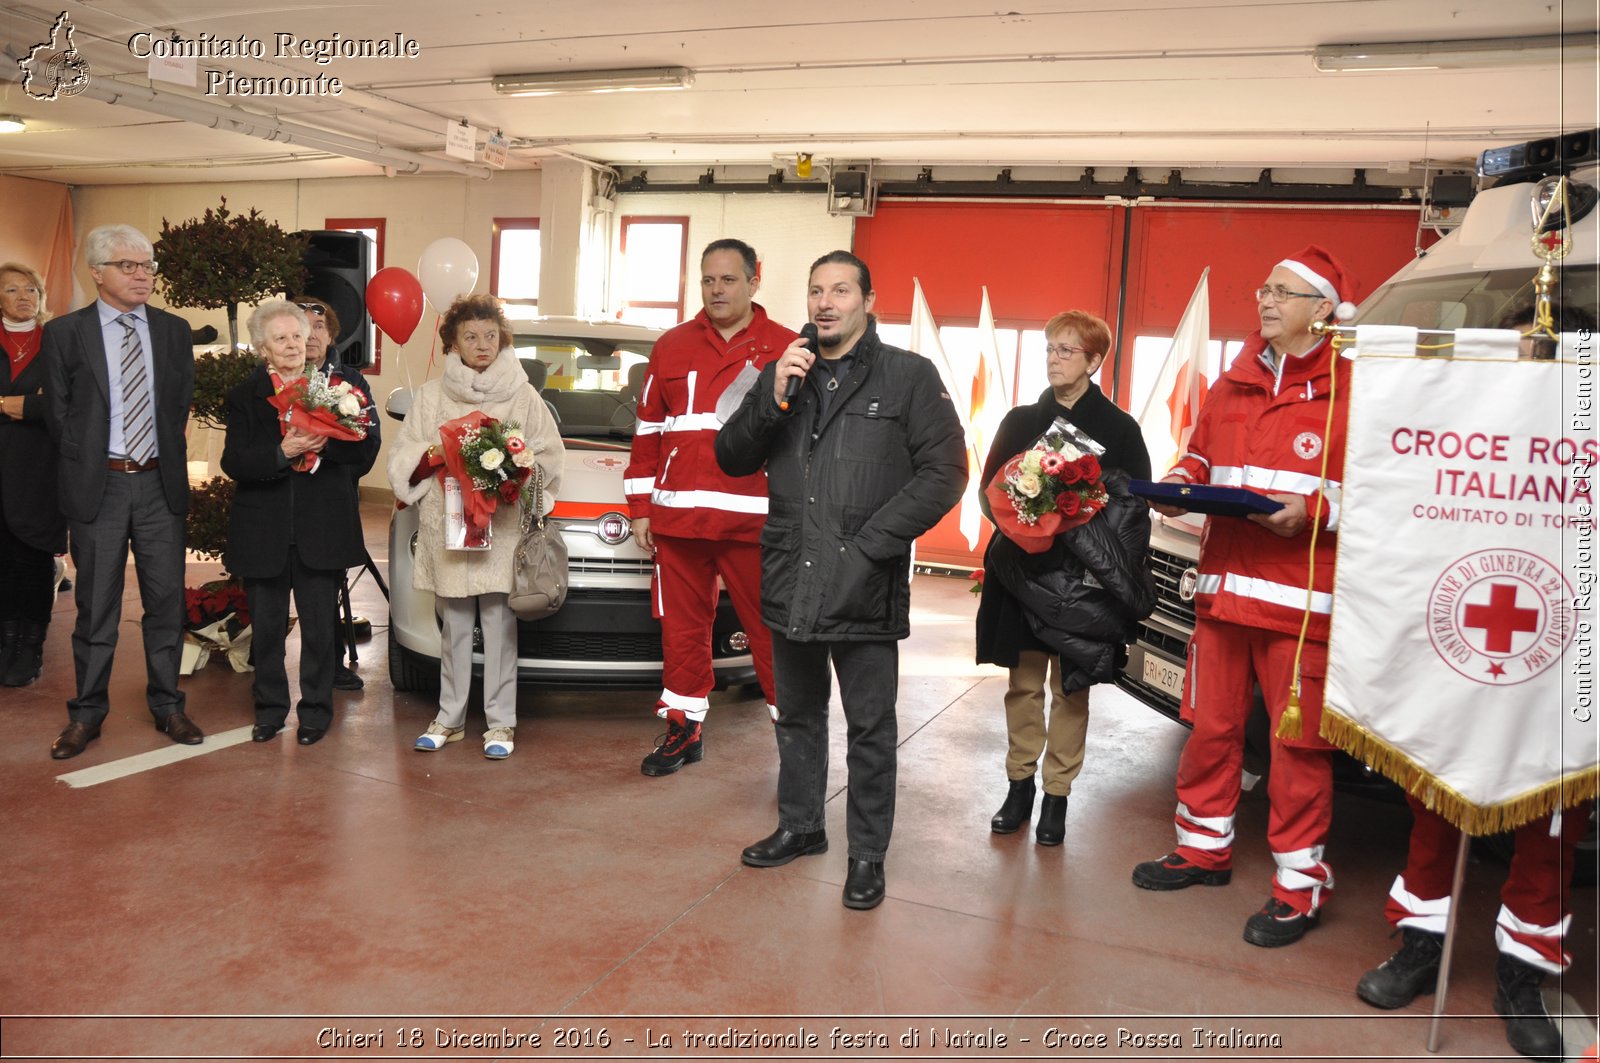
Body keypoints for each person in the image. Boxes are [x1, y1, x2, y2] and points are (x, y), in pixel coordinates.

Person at [1355, 296, 1598, 1063]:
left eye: (1550, 348)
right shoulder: (1471, 422)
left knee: (1553, 829)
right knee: (1435, 804)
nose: (1534, 358)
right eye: (1526, 344)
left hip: (1566, 665)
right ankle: (1419, 946)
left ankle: (1523, 975)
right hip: (1466, 646)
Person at [715, 250, 967, 910]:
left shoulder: (909, 376)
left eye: (840, 291)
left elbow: (946, 473)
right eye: (816, 290)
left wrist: (871, 547)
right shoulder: (783, 373)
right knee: (796, 714)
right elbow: (731, 455)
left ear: (868, 299)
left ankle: (866, 855)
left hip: (862, 583)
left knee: (869, 727)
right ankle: (801, 826)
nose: (825, 302)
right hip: (791, 574)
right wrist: (771, 397)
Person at [1130, 245, 1358, 947]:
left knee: (1297, 751)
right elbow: (1201, 457)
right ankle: (1202, 848)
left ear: (1324, 311)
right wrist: (1178, 482)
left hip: (1299, 608)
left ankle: (1299, 886)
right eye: (1264, 288)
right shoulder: (1232, 383)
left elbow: (1378, 496)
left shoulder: (1357, 394)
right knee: (1211, 731)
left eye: (1283, 292)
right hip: (1223, 595)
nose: (1264, 300)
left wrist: (1313, 511)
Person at [975, 310, 1151, 845]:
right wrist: (1029, 517)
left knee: (1071, 690)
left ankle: (1057, 795)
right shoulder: (1019, 421)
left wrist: (1082, 523)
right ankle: (1019, 785)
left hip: (1083, 585)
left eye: (1066, 350)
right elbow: (990, 495)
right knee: (1023, 685)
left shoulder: (1121, 429)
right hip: (1023, 574)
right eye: (1050, 348)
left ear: (1095, 360)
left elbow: (1135, 510)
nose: (1054, 357)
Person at [625, 239, 795, 776]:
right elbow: (648, 429)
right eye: (707, 280)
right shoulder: (671, 345)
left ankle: (795, 739)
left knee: (771, 632)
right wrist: (641, 507)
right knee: (682, 631)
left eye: (727, 280)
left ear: (753, 280)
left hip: (754, 521)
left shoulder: (785, 347)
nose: (717, 290)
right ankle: (683, 731)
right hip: (678, 521)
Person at [44, 224, 202, 759]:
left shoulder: (174, 331)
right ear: (97, 272)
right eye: (129, 266)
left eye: (148, 266)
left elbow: (178, 403)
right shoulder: (66, 332)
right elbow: (60, 414)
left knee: (164, 604)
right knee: (96, 610)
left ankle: (168, 706)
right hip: (100, 487)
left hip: (160, 485)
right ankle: (86, 715)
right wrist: (91, 461)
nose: (142, 276)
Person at [387, 295, 564, 759]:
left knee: (500, 625)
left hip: (501, 530)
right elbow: (405, 456)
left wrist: (516, 473)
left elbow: (548, 455)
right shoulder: (429, 397)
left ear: (502, 340)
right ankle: (449, 718)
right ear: (454, 343)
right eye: (470, 336)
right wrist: (437, 457)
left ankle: (501, 724)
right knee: (454, 626)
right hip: (449, 526)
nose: (481, 345)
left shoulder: (524, 397)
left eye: (490, 335)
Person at [220, 300, 377, 745]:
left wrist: (326, 446)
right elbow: (235, 462)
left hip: (322, 527)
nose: (294, 344)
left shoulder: (340, 388)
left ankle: (315, 712)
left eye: (298, 335)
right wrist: (281, 453)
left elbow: (364, 452)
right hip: (263, 530)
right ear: (262, 348)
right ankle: (269, 710)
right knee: (267, 631)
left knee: (319, 629)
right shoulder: (244, 396)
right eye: (281, 338)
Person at [295, 294, 379, 692]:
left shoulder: (352, 382)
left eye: (319, 327)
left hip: (329, 499)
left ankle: (330, 666)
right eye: (300, 327)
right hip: (279, 500)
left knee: (324, 589)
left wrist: (328, 455)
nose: (310, 336)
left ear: (331, 337)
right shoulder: (271, 378)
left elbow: (368, 442)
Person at [0, 262, 65, 687]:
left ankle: (30, 646)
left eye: (31, 290)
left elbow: (69, 403)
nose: (24, 297)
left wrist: (16, 405)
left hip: (43, 469)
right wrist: (30, 404)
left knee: (34, 561)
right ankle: (6, 642)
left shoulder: (59, 341)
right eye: (11, 290)